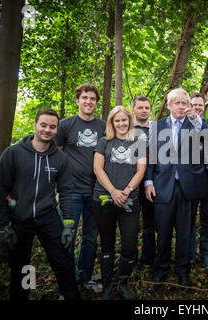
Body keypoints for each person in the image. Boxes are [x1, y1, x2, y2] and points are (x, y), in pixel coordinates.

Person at [0, 108, 81, 300]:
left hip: (48, 217)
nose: (47, 130)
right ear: (35, 125)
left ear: (57, 130)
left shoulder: (60, 159)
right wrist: (2, 226)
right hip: (19, 219)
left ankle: (71, 296)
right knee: (23, 266)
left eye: (52, 127)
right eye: (43, 125)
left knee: (62, 262)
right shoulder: (13, 153)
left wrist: (68, 223)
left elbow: (65, 192)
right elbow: (0, 191)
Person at [145, 88, 206, 291]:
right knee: (162, 232)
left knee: (184, 232)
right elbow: (150, 157)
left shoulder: (196, 125)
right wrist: (148, 182)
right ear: (170, 105)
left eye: (184, 103)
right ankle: (160, 271)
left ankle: (182, 271)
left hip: (187, 187)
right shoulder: (156, 126)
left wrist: (196, 118)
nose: (181, 107)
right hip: (163, 186)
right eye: (177, 103)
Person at [92, 106, 146, 300]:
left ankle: (123, 282)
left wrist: (126, 191)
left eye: (125, 120)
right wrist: (114, 192)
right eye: (117, 121)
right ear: (111, 123)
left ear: (129, 121)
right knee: (106, 244)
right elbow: (98, 169)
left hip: (129, 200)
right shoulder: (103, 141)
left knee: (130, 245)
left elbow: (141, 170)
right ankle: (107, 285)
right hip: (104, 199)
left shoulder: (138, 142)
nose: (121, 124)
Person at [55, 84, 106, 291]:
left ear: (96, 102)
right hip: (71, 192)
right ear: (77, 100)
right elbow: (56, 157)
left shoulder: (103, 126)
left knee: (90, 238)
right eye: (85, 97)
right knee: (66, 237)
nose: (88, 101)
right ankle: (66, 286)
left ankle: (86, 278)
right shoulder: (65, 125)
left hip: (95, 191)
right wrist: (56, 190)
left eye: (92, 98)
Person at [189, 92, 208, 270]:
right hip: (188, 181)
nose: (197, 108)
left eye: (200, 105)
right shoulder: (179, 125)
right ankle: (190, 254)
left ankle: (205, 252)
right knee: (188, 219)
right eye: (194, 105)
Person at [131, 96, 156, 267]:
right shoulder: (125, 128)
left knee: (150, 222)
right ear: (133, 109)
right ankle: (130, 259)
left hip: (150, 182)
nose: (144, 110)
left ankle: (148, 258)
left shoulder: (156, 130)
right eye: (140, 107)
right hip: (130, 182)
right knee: (130, 224)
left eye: (147, 108)